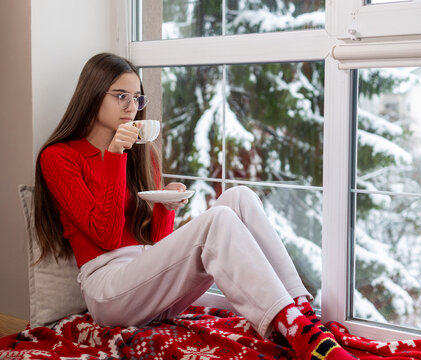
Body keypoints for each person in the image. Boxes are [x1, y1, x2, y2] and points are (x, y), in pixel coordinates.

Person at [33, 53, 355, 360]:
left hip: (148, 286)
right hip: (109, 292)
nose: (131, 107)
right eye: (121, 96)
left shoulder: (141, 155)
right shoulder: (59, 157)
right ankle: (298, 332)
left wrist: (166, 205)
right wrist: (115, 155)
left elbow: (156, 240)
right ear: (92, 95)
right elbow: (105, 236)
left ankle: (302, 317)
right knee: (217, 221)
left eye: (137, 98)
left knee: (239, 197)